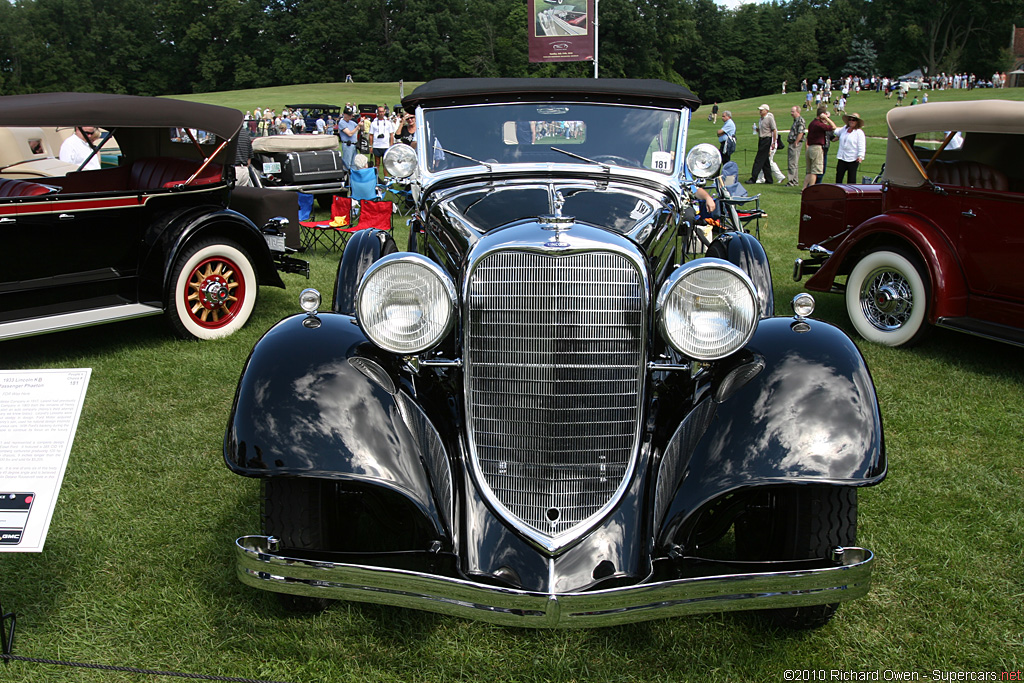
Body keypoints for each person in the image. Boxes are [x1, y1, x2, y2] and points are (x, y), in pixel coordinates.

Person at [803, 106, 836, 190]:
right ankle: (811, 189)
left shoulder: (812, 123)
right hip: (817, 148)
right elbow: (833, 127)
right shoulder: (819, 124)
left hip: (810, 148)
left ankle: (804, 189)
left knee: (809, 171)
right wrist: (827, 119)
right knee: (815, 171)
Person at [748, 104, 778, 185]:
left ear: (766, 110)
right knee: (765, 161)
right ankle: (769, 179)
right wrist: (756, 129)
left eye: (762, 110)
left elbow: (774, 130)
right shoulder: (760, 119)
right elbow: (762, 130)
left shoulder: (769, 119)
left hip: (766, 140)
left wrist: (774, 142)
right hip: (761, 139)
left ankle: (753, 178)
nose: (760, 111)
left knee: (758, 159)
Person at [833, 112, 866, 184]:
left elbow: (861, 145)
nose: (851, 121)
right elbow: (836, 131)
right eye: (850, 119)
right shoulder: (844, 129)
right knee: (839, 177)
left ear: (857, 122)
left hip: (853, 159)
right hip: (842, 157)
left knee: (851, 179)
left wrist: (860, 156)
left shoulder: (859, 132)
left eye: (853, 120)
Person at [369, 105, 395, 171]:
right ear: (377, 112)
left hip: (385, 145)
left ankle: (386, 178)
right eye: (380, 112)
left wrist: (391, 145)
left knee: (385, 164)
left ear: (384, 112)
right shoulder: (373, 123)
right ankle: (376, 178)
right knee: (377, 163)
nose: (381, 113)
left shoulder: (388, 123)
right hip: (377, 145)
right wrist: (370, 146)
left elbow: (391, 135)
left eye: (382, 111)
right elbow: (371, 135)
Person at [786, 106, 806, 187]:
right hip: (793, 143)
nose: (791, 113)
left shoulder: (800, 120)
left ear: (797, 112)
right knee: (794, 163)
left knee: (792, 163)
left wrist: (796, 142)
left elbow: (801, 132)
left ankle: (791, 181)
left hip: (795, 144)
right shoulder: (796, 121)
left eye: (792, 111)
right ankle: (795, 180)